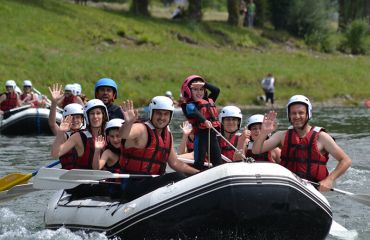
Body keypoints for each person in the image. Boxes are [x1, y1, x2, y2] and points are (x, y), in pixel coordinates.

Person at [252, 95, 352, 192]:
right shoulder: (281, 136)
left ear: (308, 114)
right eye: (293, 113)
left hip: (315, 189)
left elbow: (345, 161)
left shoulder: (322, 137)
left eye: (301, 113)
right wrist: (264, 133)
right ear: (289, 115)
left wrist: (329, 180)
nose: (297, 116)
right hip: (289, 186)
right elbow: (256, 150)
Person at [118, 96, 199, 200]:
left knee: (184, 177)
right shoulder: (141, 129)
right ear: (152, 113)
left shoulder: (168, 135)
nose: (162, 117)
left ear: (170, 116)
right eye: (159, 113)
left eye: (166, 114)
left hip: (153, 183)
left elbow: (175, 163)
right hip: (133, 186)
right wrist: (128, 122)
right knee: (178, 177)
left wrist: (198, 173)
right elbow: (123, 134)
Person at [51, 99, 109, 170]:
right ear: (87, 117)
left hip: (105, 177)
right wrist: (61, 132)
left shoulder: (110, 134)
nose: (95, 116)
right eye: (92, 114)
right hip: (81, 178)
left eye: (98, 113)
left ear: (104, 116)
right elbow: (55, 154)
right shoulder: (78, 136)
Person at [180, 75, 223, 170]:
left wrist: (204, 84)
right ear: (188, 91)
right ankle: (196, 174)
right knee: (199, 160)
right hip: (201, 135)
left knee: (217, 160)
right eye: (195, 90)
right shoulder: (189, 105)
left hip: (212, 136)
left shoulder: (208, 101)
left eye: (201, 89)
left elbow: (216, 90)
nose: (199, 92)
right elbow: (194, 111)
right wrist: (204, 121)